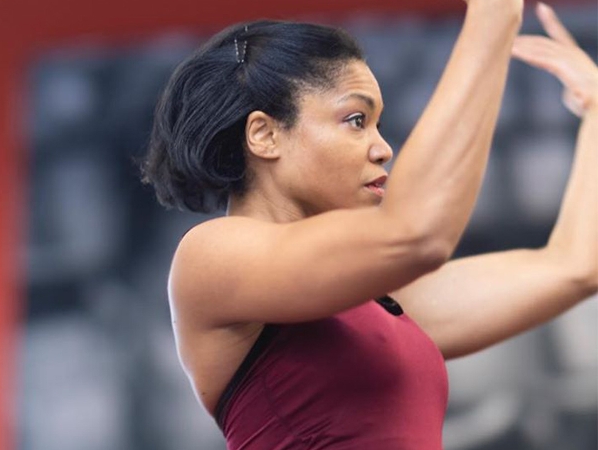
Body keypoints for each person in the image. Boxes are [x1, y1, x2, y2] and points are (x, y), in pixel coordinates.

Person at [140, 0, 597, 448]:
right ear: (265, 134)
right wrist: (494, 15)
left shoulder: (383, 304)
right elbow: (418, 231)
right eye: (356, 120)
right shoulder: (210, 257)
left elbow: (576, 266)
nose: (383, 149)